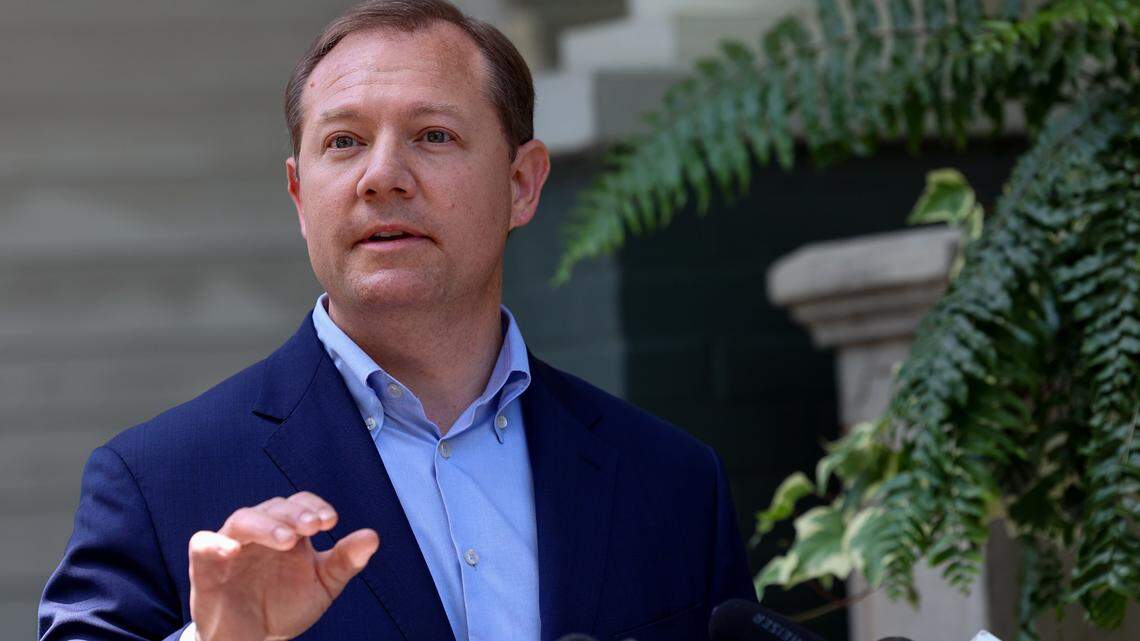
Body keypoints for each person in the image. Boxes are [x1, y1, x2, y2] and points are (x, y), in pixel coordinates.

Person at [37, 1, 755, 640]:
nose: (381, 175)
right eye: (343, 142)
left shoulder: (675, 483)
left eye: (433, 136)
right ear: (298, 194)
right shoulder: (156, 480)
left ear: (521, 183)